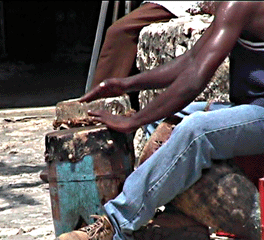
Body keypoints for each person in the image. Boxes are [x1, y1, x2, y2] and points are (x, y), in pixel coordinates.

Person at [58, 1, 264, 240]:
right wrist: (127, 83)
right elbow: (192, 59)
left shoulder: (241, 4)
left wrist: (133, 120)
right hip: (252, 107)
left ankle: (117, 224)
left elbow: (195, 78)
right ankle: (180, 220)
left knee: (195, 131)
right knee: (160, 122)